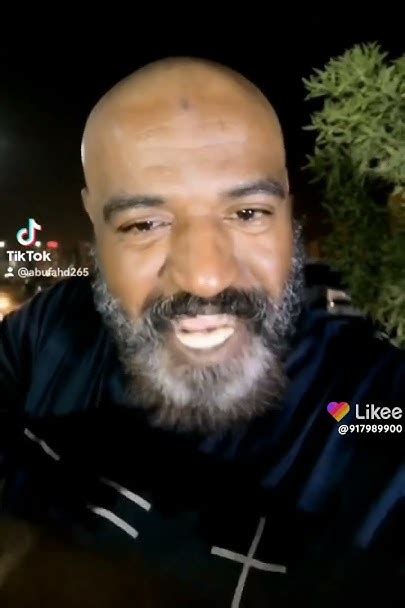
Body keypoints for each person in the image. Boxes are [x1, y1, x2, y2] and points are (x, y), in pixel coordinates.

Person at [0, 58, 403, 606]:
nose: (206, 278)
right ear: (95, 222)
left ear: (289, 209)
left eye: (248, 213)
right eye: (144, 224)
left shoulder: (369, 399)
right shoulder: (51, 327)